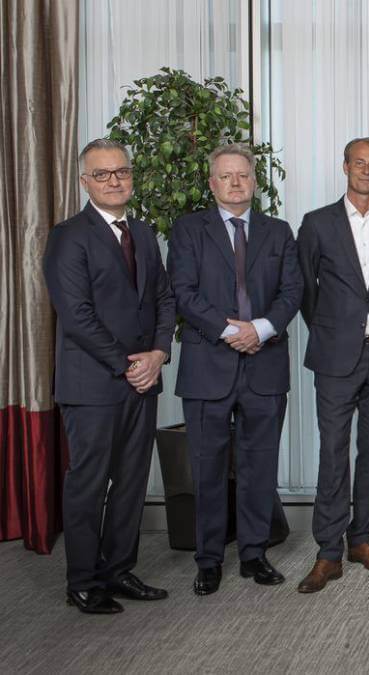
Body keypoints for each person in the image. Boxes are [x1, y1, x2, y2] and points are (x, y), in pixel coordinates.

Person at [43, 139, 175, 614]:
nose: (114, 181)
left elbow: (163, 298)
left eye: (121, 171)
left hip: (143, 378)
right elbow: (76, 316)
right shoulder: (68, 236)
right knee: (90, 482)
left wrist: (159, 352)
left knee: (133, 479)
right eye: (102, 174)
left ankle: (119, 570)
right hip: (93, 384)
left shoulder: (142, 232)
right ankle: (83, 581)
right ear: (85, 182)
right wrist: (127, 364)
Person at [168, 142, 303, 595]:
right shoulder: (188, 230)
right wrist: (231, 332)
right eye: (226, 176)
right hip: (208, 366)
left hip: (266, 365)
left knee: (259, 467)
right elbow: (184, 292)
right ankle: (208, 560)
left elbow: (293, 291)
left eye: (243, 175)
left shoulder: (279, 231)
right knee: (206, 469)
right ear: (212, 184)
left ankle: (254, 554)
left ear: (255, 181)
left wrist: (260, 329)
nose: (235, 183)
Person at [295, 138, 369, 593]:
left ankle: (361, 539)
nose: (367, 170)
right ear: (345, 167)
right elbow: (306, 290)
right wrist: (335, 329)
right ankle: (328, 552)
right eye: (359, 163)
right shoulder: (317, 223)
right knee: (333, 451)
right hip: (334, 354)